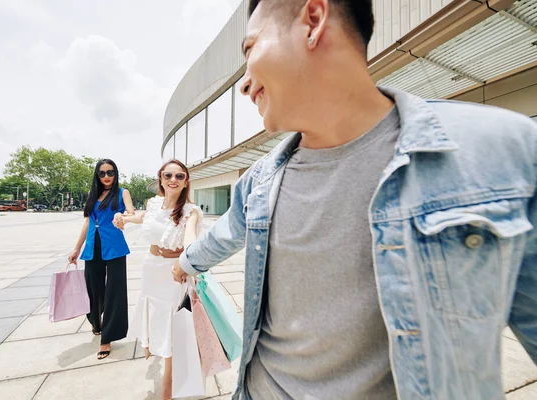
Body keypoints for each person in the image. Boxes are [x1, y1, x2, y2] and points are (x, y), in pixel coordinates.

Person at [171, 0, 537, 399]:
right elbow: (225, 234)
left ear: (313, 20)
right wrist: (186, 263)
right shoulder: (260, 179)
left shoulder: (503, 151)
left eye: (250, 49)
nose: (244, 83)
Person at [114, 159, 202, 400]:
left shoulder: (190, 212)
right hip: (151, 269)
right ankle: (157, 356)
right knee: (155, 315)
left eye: (179, 176)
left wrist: (190, 258)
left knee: (172, 326)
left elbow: (191, 238)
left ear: (186, 183)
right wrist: (124, 218)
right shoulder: (154, 204)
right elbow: (144, 217)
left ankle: (167, 389)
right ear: (161, 180)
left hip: (174, 273)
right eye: (168, 175)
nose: (173, 180)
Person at [68, 159, 135, 360]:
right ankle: (95, 321)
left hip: (114, 246)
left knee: (115, 291)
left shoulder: (122, 192)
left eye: (110, 172)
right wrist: (76, 248)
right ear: (97, 175)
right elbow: (87, 222)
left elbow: (131, 213)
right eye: (102, 173)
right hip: (92, 246)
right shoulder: (93, 195)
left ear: (116, 174)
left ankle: (108, 336)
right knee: (93, 288)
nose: (107, 177)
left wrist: (123, 218)